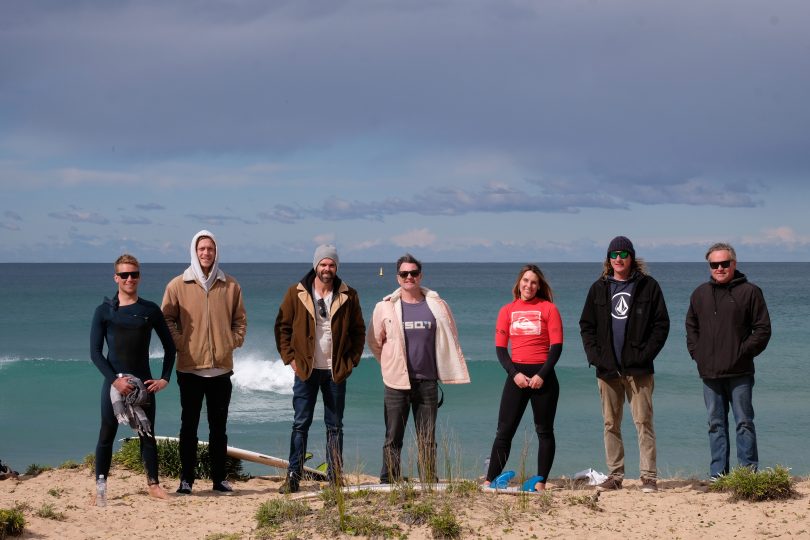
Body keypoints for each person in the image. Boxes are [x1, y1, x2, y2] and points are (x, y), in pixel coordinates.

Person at [367, 254, 470, 484]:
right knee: (393, 436)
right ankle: (389, 479)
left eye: (413, 273)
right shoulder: (384, 308)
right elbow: (374, 341)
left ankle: (428, 480)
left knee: (427, 438)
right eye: (404, 273)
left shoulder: (437, 305)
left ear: (420, 275)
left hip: (428, 382)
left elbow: (450, 334)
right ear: (398, 277)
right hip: (397, 382)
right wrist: (390, 363)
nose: (409, 277)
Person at [579, 236, 669, 493]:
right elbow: (587, 326)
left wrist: (644, 355)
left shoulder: (648, 286)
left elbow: (661, 325)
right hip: (607, 370)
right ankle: (615, 476)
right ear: (608, 259)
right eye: (614, 254)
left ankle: (649, 477)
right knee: (611, 424)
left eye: (623, 254)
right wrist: (596, 357)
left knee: (644, 422)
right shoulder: (599, 288)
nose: (618, 259)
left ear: (632, 257)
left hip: (638, 370)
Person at [274, 244, 366, 493]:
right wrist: (290, 359)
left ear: (337, 267)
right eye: (323, 264)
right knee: (300, 424)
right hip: (306, 370)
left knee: (334, 426)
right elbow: (282, 327)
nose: (327, 269)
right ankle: (293, 477)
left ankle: (335, 478)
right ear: (316, 266)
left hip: (335, 371)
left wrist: (352, 361)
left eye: (332, 264)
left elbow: (359, 331)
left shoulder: (349, 295)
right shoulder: (297, 293)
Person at [161, 230, 247, 495]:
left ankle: (219, 479)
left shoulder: (230, 285)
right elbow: (166, 318)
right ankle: (186, 480)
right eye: (202, 249)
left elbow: (240, 320)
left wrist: (232, 340)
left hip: (221, 369)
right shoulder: (178, 284)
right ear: (194, 252)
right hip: (190, 369)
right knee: (189, 427)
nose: (206, 253)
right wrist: (181, 342)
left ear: (216, 252)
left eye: (210, 249)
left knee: (218, 429)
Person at [91, 253, 175, 500]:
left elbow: (170, 348)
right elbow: (95, 353)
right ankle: (100, 488)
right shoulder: (104, 311)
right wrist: (115, 381)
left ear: (139, 276)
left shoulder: (150, 310)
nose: (130, 279)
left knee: (147, 434)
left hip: (143, 383)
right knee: (106, 433)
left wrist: (164, 379)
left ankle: (154, 486)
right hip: (114, 384)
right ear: (116, 278)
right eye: (125, 275)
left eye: (134, 274)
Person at [686, 242, 771, 479]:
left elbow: (763, 329)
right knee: (715, 424)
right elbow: (691, 327)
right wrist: (697, 353)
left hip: (740, 372)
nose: (720, 268)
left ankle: (747, 474)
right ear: (710, 266)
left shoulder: (750, 292)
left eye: (724, 263)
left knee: (744, 423)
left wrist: (742, 352)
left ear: (734, 264)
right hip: (709, 373)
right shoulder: (700, 293)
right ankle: (718, 475)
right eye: (715, 264)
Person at [484, 264, 563, 492]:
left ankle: (540, 482)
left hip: (544, 378)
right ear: (519, 283)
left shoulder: (549, 309)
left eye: (534, 282)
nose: (529, 285)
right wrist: (514, 373)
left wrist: (541, 375)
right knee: (504, 431)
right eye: (526, 280)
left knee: (544, 431)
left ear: (539, 287)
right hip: (516, 376)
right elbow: (500, 350)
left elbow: (556, 348)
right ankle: (490, 481)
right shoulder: (506, 311)